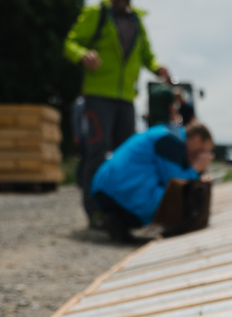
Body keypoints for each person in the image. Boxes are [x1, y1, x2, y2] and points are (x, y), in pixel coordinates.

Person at [63, 0, 170, 228]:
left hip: (127, 98)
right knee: (97, 152)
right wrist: (82, 54)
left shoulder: (137, 21)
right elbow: (71, 43)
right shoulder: (97, 13)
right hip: (98, 94)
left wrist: (157, 67)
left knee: (128, 154)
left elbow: (146, 56)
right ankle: (95, 212)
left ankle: (123, 211)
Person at [91, 122, 214, 243]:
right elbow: (176, 184)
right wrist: (196, 168)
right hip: (116, 189)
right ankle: (118, 220)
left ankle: (118, 220)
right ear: (196, 139)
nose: (203, 155)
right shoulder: (170, 142)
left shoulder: (168, 133)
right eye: (203, 150)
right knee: (179, 198)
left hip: (108, 186)